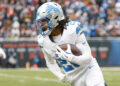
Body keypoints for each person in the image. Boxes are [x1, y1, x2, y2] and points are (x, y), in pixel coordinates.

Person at [35, 2, 107, 86]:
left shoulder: (72, 30)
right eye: (40, 22)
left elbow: (87, 58)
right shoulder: (43, 40)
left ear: (55, 17)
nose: (41, 25)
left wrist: (71, 57)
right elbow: (50, 62)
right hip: (73, 77)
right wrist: (60, 75)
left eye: (44, 21)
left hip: (88, 70)